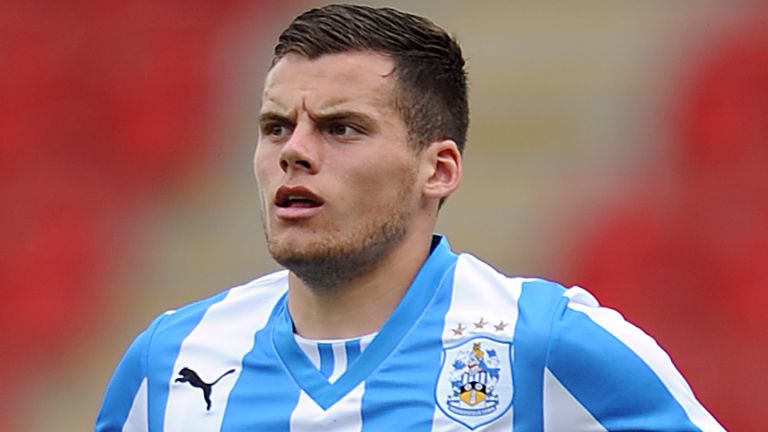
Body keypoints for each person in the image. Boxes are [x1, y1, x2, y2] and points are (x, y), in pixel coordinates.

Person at [96, 4, 724, 431]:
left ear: (439, 169)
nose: (294, 151)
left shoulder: (547, 343)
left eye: (342, 128)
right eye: (276, 127)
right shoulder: (171, 360)